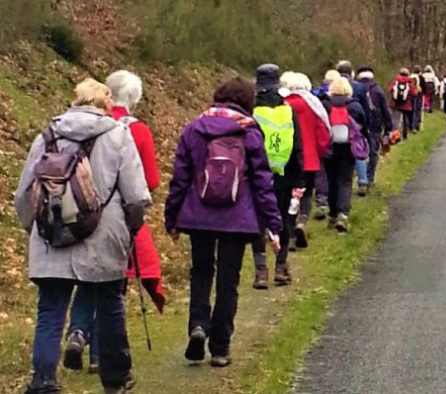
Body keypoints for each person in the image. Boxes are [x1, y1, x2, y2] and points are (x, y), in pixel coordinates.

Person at [15, 78, 150, 394]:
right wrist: (132, 227)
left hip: (52, 235)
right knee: (109, 304)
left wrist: (35, 228)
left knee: (50, 309)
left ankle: (44, 381)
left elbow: (23, 194)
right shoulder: (119, 134)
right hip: (104, 237)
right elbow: (135, 195)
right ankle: (115, 379)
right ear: (106, 105)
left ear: (74, 102)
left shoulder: (47, 136)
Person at [164, 76, 283, 368]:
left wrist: (172, 217)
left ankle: (198, 326)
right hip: (237, 217)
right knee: (228, 281)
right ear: (248, 102)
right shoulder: (250, 132)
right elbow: (262, 183)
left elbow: (180, 178)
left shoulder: (194, 128)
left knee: (201, 272)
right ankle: (220, 348)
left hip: (198, 215)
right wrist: (273, 225)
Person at [63, 70, 165, 376]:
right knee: (111, 288)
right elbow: (150, 181)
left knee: (85, 282)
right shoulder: (137, 131)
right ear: (134, 99)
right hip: (114, 218)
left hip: (76, 214)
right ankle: (99, 357)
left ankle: (79, 332)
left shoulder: (74, 126)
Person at [251, 64, 305, 289]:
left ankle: (260, 270)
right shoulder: (288, 110)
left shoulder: (252, 112)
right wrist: (300, 179)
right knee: (284, 220)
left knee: (258, 222)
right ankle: (281, 267)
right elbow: (297, 146)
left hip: (257, 175)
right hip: (284, 174)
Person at [280, 71, 331, 249]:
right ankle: (302, 221)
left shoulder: (282, 105)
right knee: (307, 192)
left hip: (287, 158)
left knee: (288, 195)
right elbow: (322, 132)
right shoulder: (313, 105)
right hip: (309, 158)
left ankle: (291, 232)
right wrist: (321, 151)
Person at [322, 77, 368, 232]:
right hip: (348, 148)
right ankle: (343, 214)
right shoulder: (355, 106)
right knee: (345, 181)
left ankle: (333, 214)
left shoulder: (325, 105)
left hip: (329, 147)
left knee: (331, 181)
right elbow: (364, 125)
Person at [336, 60, 371, 196]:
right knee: (358, 150)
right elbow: (365, 107)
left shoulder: (334, 85)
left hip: (338, 120)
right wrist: (365, 125)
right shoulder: (359, 87)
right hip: (356, 121)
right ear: (351, 72)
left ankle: (339, 181)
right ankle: (362, 181)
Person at [356, 66, 393, 186]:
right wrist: (388, 127)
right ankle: (370, 178)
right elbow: (385, 110)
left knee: (358, 151)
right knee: (373, 152)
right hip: (375, 125)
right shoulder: (377, 90)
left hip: (358, 126)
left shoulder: (355, 89)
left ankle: (360, 178)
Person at [311, 69, 340, 219]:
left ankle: (320, 201)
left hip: (314, 138)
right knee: (331, 172)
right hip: (331, 138)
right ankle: (327, 202)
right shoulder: (335, 98)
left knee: (320, 171)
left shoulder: (315, 95)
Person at [387, 68, 418, 140]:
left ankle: (396, 136)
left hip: (396, 104)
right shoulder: (409, 82)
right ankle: (405, 135)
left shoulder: (395, 81)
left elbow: (389, 90)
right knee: (405, 120)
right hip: (406, 105)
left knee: (396, 120)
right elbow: (414, 94)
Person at [410, 65, 425, 132]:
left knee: (411, 110)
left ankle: (410, 126)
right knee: (417, 110)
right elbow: (424, 88)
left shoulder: (410, 77)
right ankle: (416, 126)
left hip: (410, 96)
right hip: (418, 95)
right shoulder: (421, 78)